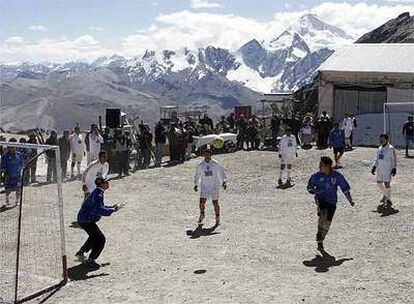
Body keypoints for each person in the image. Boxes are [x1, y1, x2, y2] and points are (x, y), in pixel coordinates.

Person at [307, 156, 355, 251]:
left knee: (328, 223)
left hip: (332, 201)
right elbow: (309, 188)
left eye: (321, 165)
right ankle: (319, 234)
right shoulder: (316, 176)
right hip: (320, 199)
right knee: (323, 214)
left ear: (328, 166)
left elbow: (344, 188)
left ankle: (321, 239)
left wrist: (350, 200)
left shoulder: (337, 176)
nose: (319, 166)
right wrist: (315, 191)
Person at [75, 177, 119, 268]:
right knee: (100, 239)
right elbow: (99, 209)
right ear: (102, 184)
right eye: (106, 182)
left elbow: (101, 206)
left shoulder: (97, 192)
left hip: (84, 219)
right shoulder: (98, 194)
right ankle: (91, 259)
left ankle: (81, 252)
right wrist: (112, 210)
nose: (108, 183)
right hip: (86, 220)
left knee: (94, 236)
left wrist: (111, 207)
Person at [194, 148, 228, 226]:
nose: (207, 156)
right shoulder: (200, 165)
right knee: (201, 202)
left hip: (214, 186)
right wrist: (196, 184)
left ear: (211, 155)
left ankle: (217, 217)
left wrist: (224, 182)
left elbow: (221, 173)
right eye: (205, 154)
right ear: (203, 155)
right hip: (205, 186)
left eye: (208, 154)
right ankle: (202, 214)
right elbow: (197, 175)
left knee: (215, 203)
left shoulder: (216, 164)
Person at [371, 134, 397, 210]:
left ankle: (388, 200)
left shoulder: (391, 148)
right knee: (379, 183)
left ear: (387, 139)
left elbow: (394, 159)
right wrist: (374, 167)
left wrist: (394, 168)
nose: (381, 140)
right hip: (380, 169)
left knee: (386, 183)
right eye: (380, 139)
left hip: (387, 169)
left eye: (382, 139)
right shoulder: (379, 149)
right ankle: (386, 196)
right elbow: (376, 158)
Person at [1, 139, 25, 206]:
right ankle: (7, 198)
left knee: (18, 188)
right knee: (8, 189)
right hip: (8, 175)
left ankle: (17, 200)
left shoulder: (19, 155)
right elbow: (2, 165)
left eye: (14, 147)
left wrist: (21, 168)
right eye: (11, 147)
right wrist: (4, 170)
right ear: (9, 147)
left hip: (17, 175)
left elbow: (23, 164)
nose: (13, 148)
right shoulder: (5, 156)